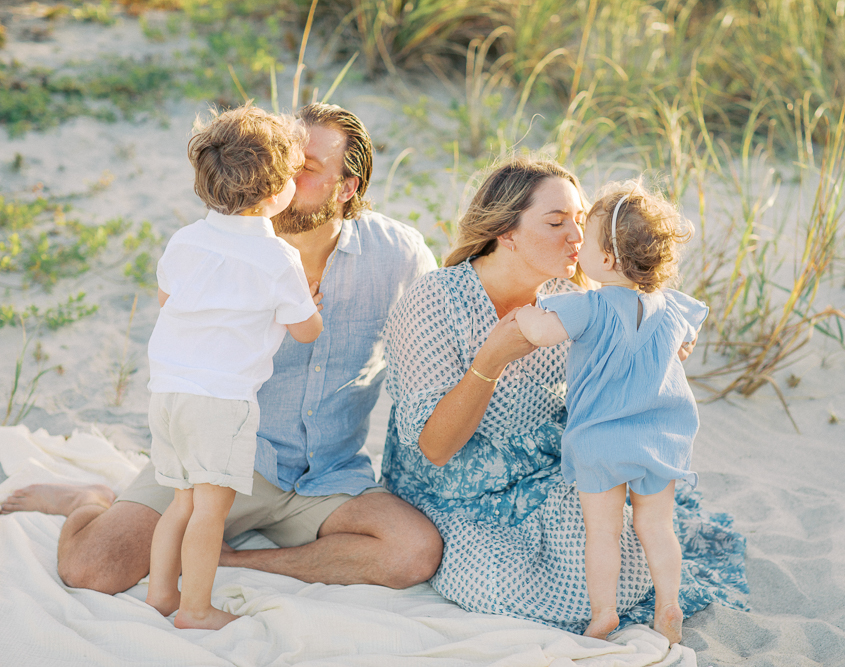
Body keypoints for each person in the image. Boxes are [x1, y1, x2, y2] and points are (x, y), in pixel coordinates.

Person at [0, 103, 443, 597]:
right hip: (222, 454)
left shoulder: (399, 254)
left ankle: (235, 558)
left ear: (347, 188)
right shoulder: (226, 246)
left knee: (413, 551)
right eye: (285, 166)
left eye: (308, 170)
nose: (284, 181)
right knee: (92, 569)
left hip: (329, 477)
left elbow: (435, 360)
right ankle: (92, 496)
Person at [380, 156, 747, 637]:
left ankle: (611, 604)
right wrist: (490, 361)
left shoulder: (574, 294)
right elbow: (436, 448)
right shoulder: (435, 300)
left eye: (580, 221)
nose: (576, 237)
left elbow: (622, 358)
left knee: (620, 534)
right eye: (556, 223)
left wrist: (659, 345)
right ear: (506, 232)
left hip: (553, 469)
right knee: (495, 582)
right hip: (459, 493)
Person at [145, 104, 324, 629]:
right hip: (222, 402)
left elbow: (166, 299)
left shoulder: (185, 240)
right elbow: (306, 330)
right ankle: (196, 608)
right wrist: (310, 299)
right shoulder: (278, 259)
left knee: (179, 504)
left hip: (168, 392)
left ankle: (160, 594)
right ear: (276, 193)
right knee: (210, 512)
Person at [515, 180, 706, 642]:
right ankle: (668, 604)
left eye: (586, 238)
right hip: (660, 437)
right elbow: (687, 341)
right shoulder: (675, 307)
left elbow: (541, 334)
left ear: (607, 260)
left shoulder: (589, 306)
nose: (576, 245)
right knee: (658, 525)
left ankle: (603, 612)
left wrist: (524, 314)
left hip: (600, 440)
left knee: (603, 533)